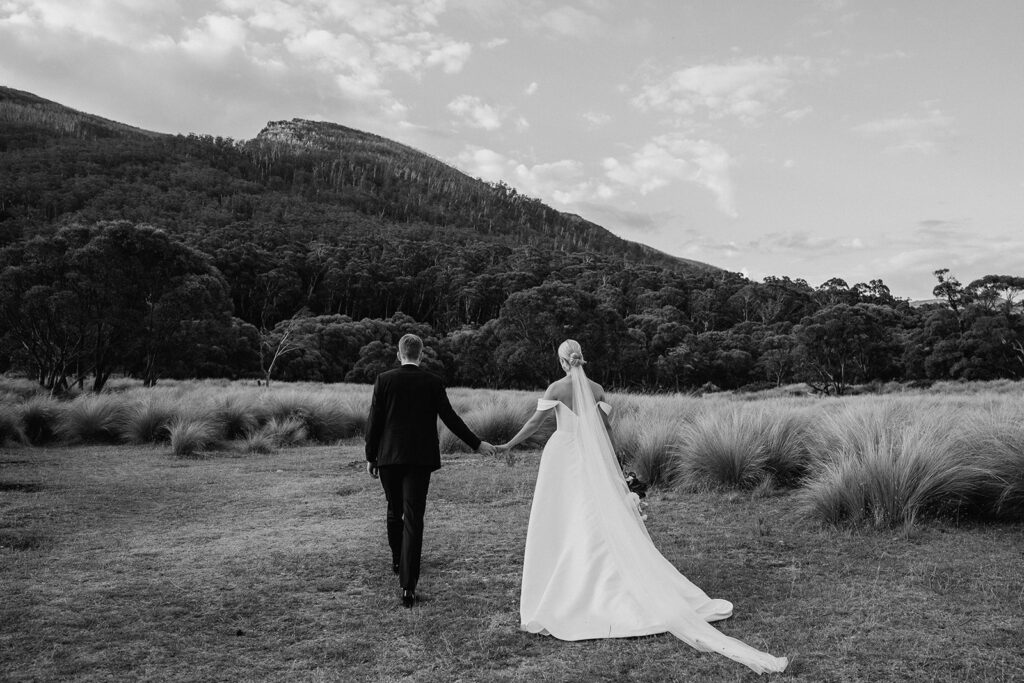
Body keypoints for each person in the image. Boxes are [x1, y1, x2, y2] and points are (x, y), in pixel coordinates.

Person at [495, 340, 788, 675]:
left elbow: (535, 424)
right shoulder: (596, 389)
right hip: (593, 458)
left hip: (563, 455)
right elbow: (605, 431)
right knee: (595, 514)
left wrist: (507, 445)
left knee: (566, 515)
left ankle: (574, 581)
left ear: (562, 361)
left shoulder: (556, 389)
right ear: (579, 358)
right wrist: (614, 467)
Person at [365, 333, 495, 608]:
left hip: (389, 457)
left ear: (399, 354)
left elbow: (374, 421)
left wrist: (370, 456)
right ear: (421, 354)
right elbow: (451, 418)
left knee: (394, 510)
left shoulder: (384, 380)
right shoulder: (432, 382)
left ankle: (397, 560)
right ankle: (408, 587)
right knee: (414, 517)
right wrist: (476, 444)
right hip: (420, 459)